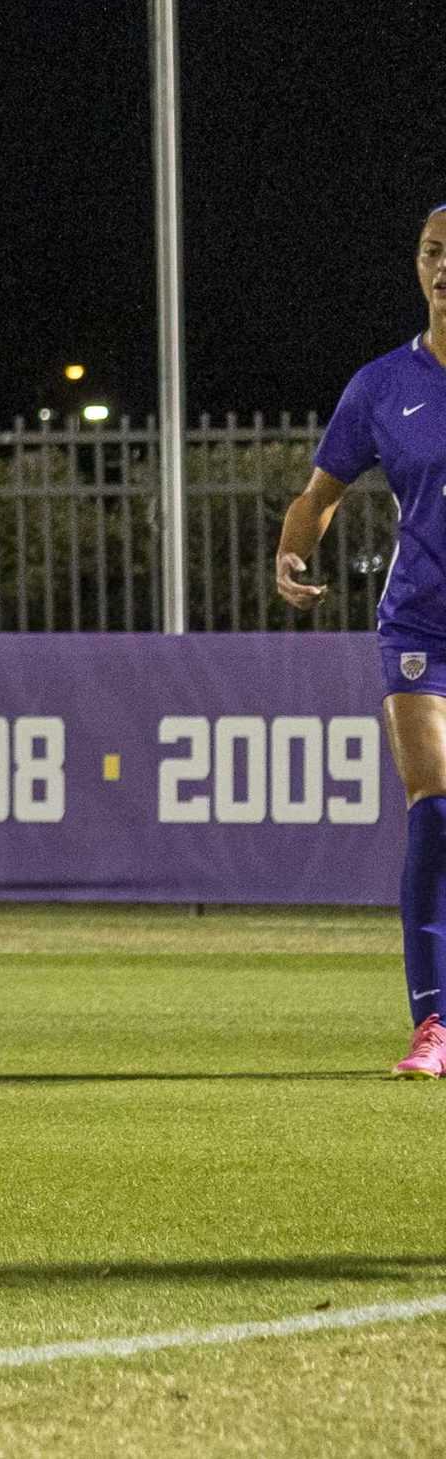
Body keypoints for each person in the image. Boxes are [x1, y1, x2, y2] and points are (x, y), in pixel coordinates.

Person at [276, 202, 446, 1079]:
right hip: (422, 623)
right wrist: (295, 541)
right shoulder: (383, 384)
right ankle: (435, 1022)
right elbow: (323, 488)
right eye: (431, 252)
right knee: (439, 806)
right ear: (417, 267)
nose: (443, 266)